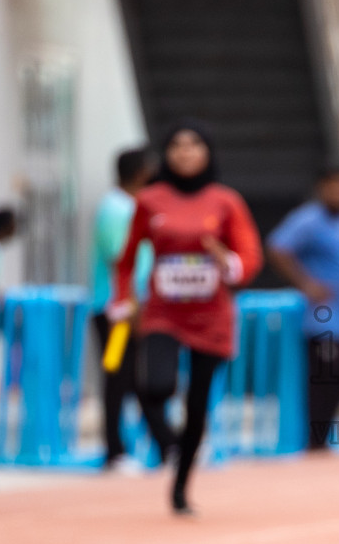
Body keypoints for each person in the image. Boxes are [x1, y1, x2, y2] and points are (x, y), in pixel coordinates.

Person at [112, 123, 262, 515]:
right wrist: (121, 299)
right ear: (167, 154)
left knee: (197, 405)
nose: (185, 152)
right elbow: (126, 259)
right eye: (177, 145)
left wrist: (227, 263)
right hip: (164, 311)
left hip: (210, 315)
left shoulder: (226, 202)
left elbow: (250, 256)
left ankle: (180, 487)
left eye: (194, 145)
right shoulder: (150, 200)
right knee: (154, 384)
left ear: (208, 152)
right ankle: (168, 441)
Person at [268, 166, 339, 452]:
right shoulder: (308, 220)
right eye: (335, 187)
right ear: (322, 188)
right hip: (322, 317)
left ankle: (324, 437)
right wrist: (306, 283)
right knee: (323, 378)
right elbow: (278, 248)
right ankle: (315, 441)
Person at [91, 147, 155, 467]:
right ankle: (114, 450)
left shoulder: (131, 206)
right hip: (117, 312)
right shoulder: (116, 210)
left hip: (129, 307)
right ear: (142, 171)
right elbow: (120, 261)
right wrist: (132, 304)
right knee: (117, 376)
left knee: (135, 375)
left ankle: (159, 440)